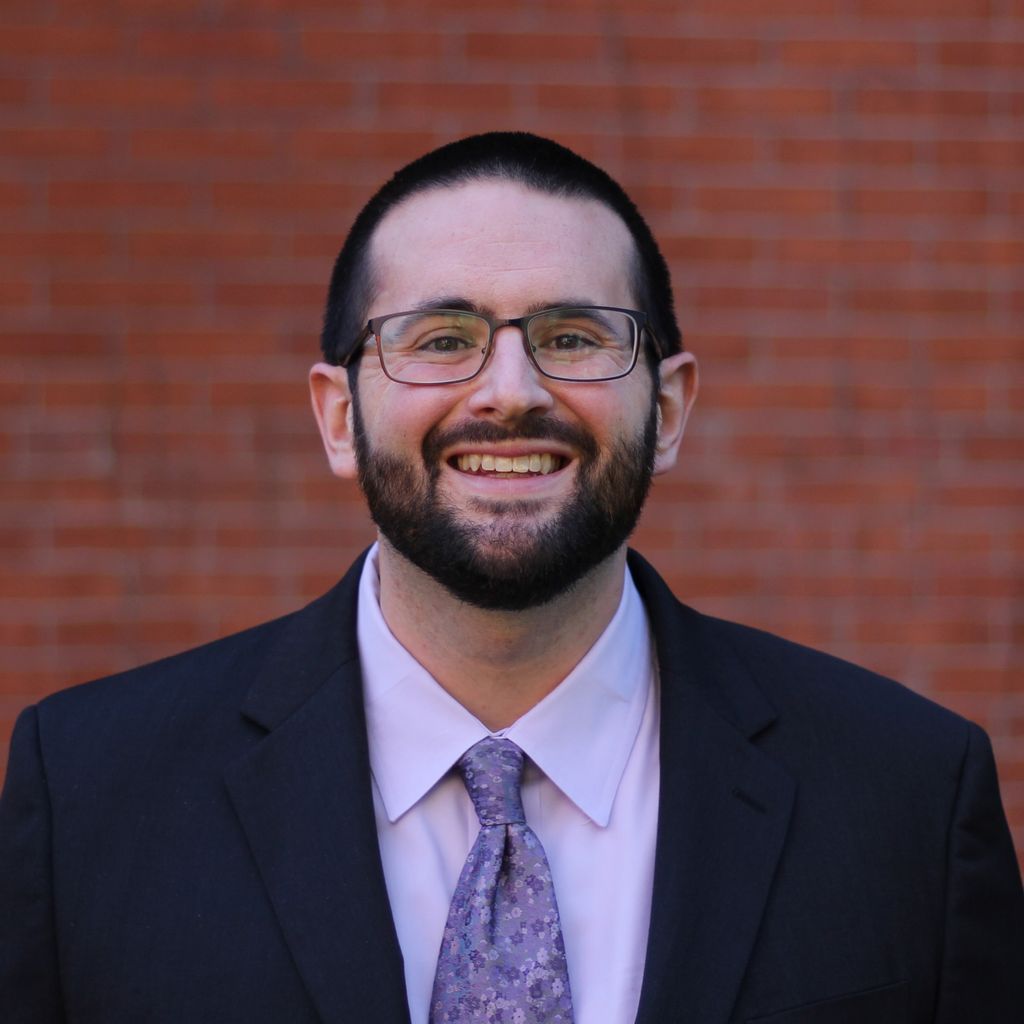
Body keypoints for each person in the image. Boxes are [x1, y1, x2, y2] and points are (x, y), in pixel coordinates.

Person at [0, 132, 1021, 1024]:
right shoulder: (90, 797)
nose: (509, 392)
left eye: (572, 337)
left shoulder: (906, 803)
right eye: (440, 340)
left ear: (667, 410)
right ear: (338, 415)